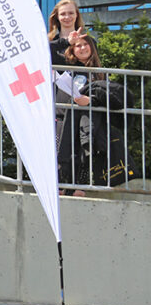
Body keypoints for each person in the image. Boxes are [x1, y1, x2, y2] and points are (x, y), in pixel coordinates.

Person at [57, 33, 104, 192]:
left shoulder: (99, 72)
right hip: (61, 120)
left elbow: (108, 98)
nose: (82, 48)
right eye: (78, 45)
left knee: (81, 157)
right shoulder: (66, 68)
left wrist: (90, 101)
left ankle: (79, 188)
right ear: (72, 49)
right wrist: (64, 41)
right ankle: (61, 186)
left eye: (86, 44)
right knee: (59, 156)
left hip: (84, 124)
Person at [47, 0, 89, 66]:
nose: (67, 17)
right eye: (63, 14)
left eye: (71, 13)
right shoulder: (49, 41)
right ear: (57, 16)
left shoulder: (88, 42)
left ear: (76, 15)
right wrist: (67, 42)